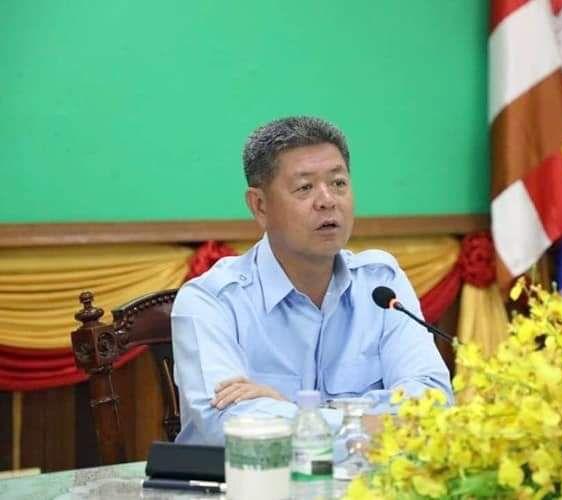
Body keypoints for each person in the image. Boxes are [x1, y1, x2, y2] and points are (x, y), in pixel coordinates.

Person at [171, 116, 452, 445]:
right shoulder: (211, 300)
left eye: (338, 183)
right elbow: (228, 425)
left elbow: (433, 403)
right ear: (260, 206)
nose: (327, 200)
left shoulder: (380, 284)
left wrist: (299, 411)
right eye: (305, 188)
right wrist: (371, 421)